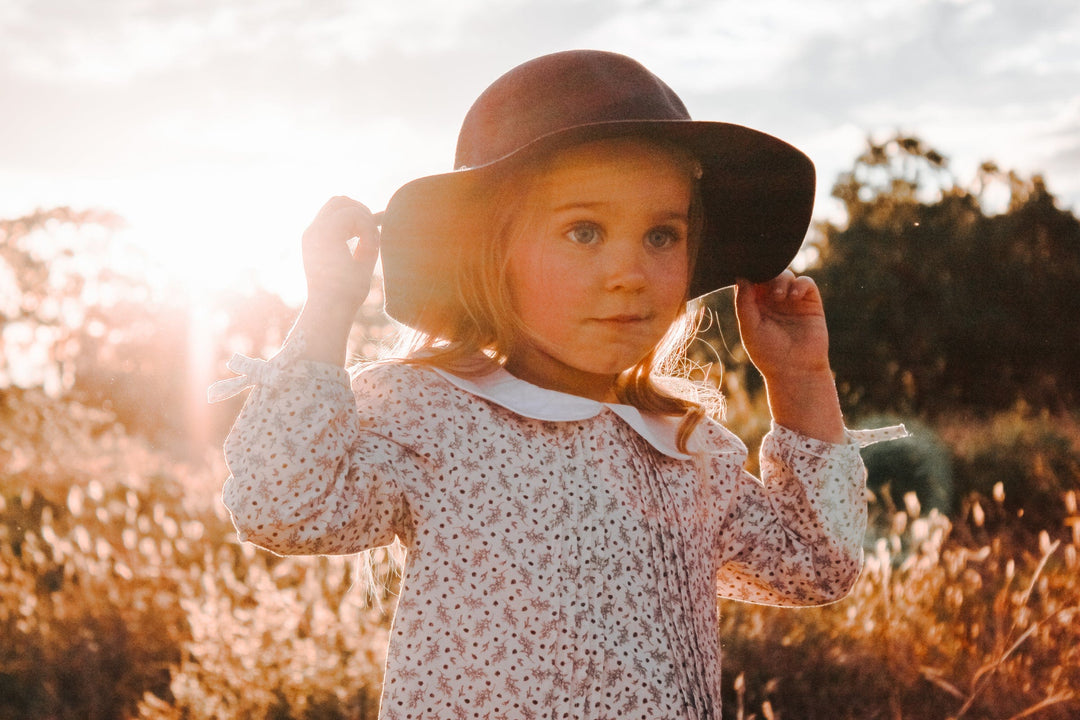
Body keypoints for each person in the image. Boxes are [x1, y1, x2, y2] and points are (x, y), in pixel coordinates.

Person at [210, 50, 906, 720]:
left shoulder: (688, 451)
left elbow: (816, 566)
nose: (629, 270)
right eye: (584, 231)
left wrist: (800, 378)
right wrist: (331, 304)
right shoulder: (438, 415)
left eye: (661, 236)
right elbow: (282, 503)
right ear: (492, 252)